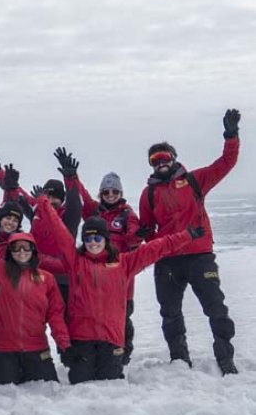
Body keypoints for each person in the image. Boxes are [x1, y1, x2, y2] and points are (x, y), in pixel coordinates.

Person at [42, 200, 200, 383]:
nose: (93, 243)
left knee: (110, 384)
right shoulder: (76, 262)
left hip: (111, 339)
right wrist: (44, 204)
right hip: (81, 339)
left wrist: (186, 236)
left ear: (106, 240)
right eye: (88, 239)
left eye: (98, 238)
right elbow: (59, 232)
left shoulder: (123, 263)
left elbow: (156, 248)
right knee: (81, 384)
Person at [138, 109, 241, 374]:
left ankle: (225, 357)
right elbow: (148, 229)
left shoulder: (194, 180)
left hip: (199, 256)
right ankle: (180, 361)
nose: (160, 162)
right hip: (168, 260)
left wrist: (231, 135)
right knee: (169, 312)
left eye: (164, 157)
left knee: (215, 307)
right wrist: (148, 238)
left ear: (173, 159)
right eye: (154, 159)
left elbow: (225, 163)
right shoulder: (148, 194)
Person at [65, 166, 142, 365]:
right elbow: (83, 194)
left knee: (123, 316)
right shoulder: (94, 211)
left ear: (121, 193)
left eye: (115, 191)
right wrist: (72, 177)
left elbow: (134, 238)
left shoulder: (127, 215)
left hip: (119, 274)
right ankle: (96, 354)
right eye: (106, 192)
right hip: (92, 274)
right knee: (93, 315)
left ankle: (122, 353)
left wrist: (136, 237)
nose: (110, 195)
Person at [0, 230, 70, 384]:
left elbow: (55, 314)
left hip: (36, 347)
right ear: (9, 251)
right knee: (4, 392)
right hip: (3, 349)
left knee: (48, 390)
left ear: (33, 250)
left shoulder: (47, 278)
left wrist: (63, 341)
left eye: (26, 247)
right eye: (16, 248)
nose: (21, 252)